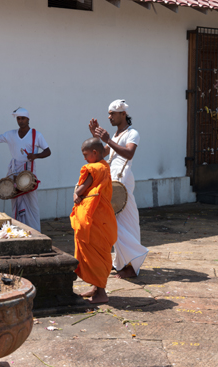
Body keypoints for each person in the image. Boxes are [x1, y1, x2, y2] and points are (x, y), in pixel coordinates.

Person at [88, 99, 149, 278]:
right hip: (112, 182)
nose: (109, 117)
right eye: (109, 113)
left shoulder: (133, 133)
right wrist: (97, 139)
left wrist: (107, 139)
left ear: (123, 114)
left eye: (112, 113)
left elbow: (129, 153)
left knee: (122, 224)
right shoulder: (115, 135)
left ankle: (133, 261)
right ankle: (123, 263)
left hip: (123, 183)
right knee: (117, 224)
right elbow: (102, 154)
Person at [0, 107, 51, 232]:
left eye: (23, 118)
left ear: (28, 119)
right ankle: (19, 229)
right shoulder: (11, 134)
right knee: (15, 199)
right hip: (14, 171)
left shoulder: (36, 135)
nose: (20, 121)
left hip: (29, 172)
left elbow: (48, 151)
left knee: (31, 203)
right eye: (18, 118)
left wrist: (35, 156)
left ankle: (34, 231)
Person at [70, 137, 118, 304]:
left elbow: (83, 188)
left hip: (95, 219)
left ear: (95, 153)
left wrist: (76, 194)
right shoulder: (104, 166)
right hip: (101, 217)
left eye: (86, 154)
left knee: (94, 253)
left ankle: (101, 294)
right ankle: (96, 288)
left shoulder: (94, 168)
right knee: (99, 252)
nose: (84, 158)